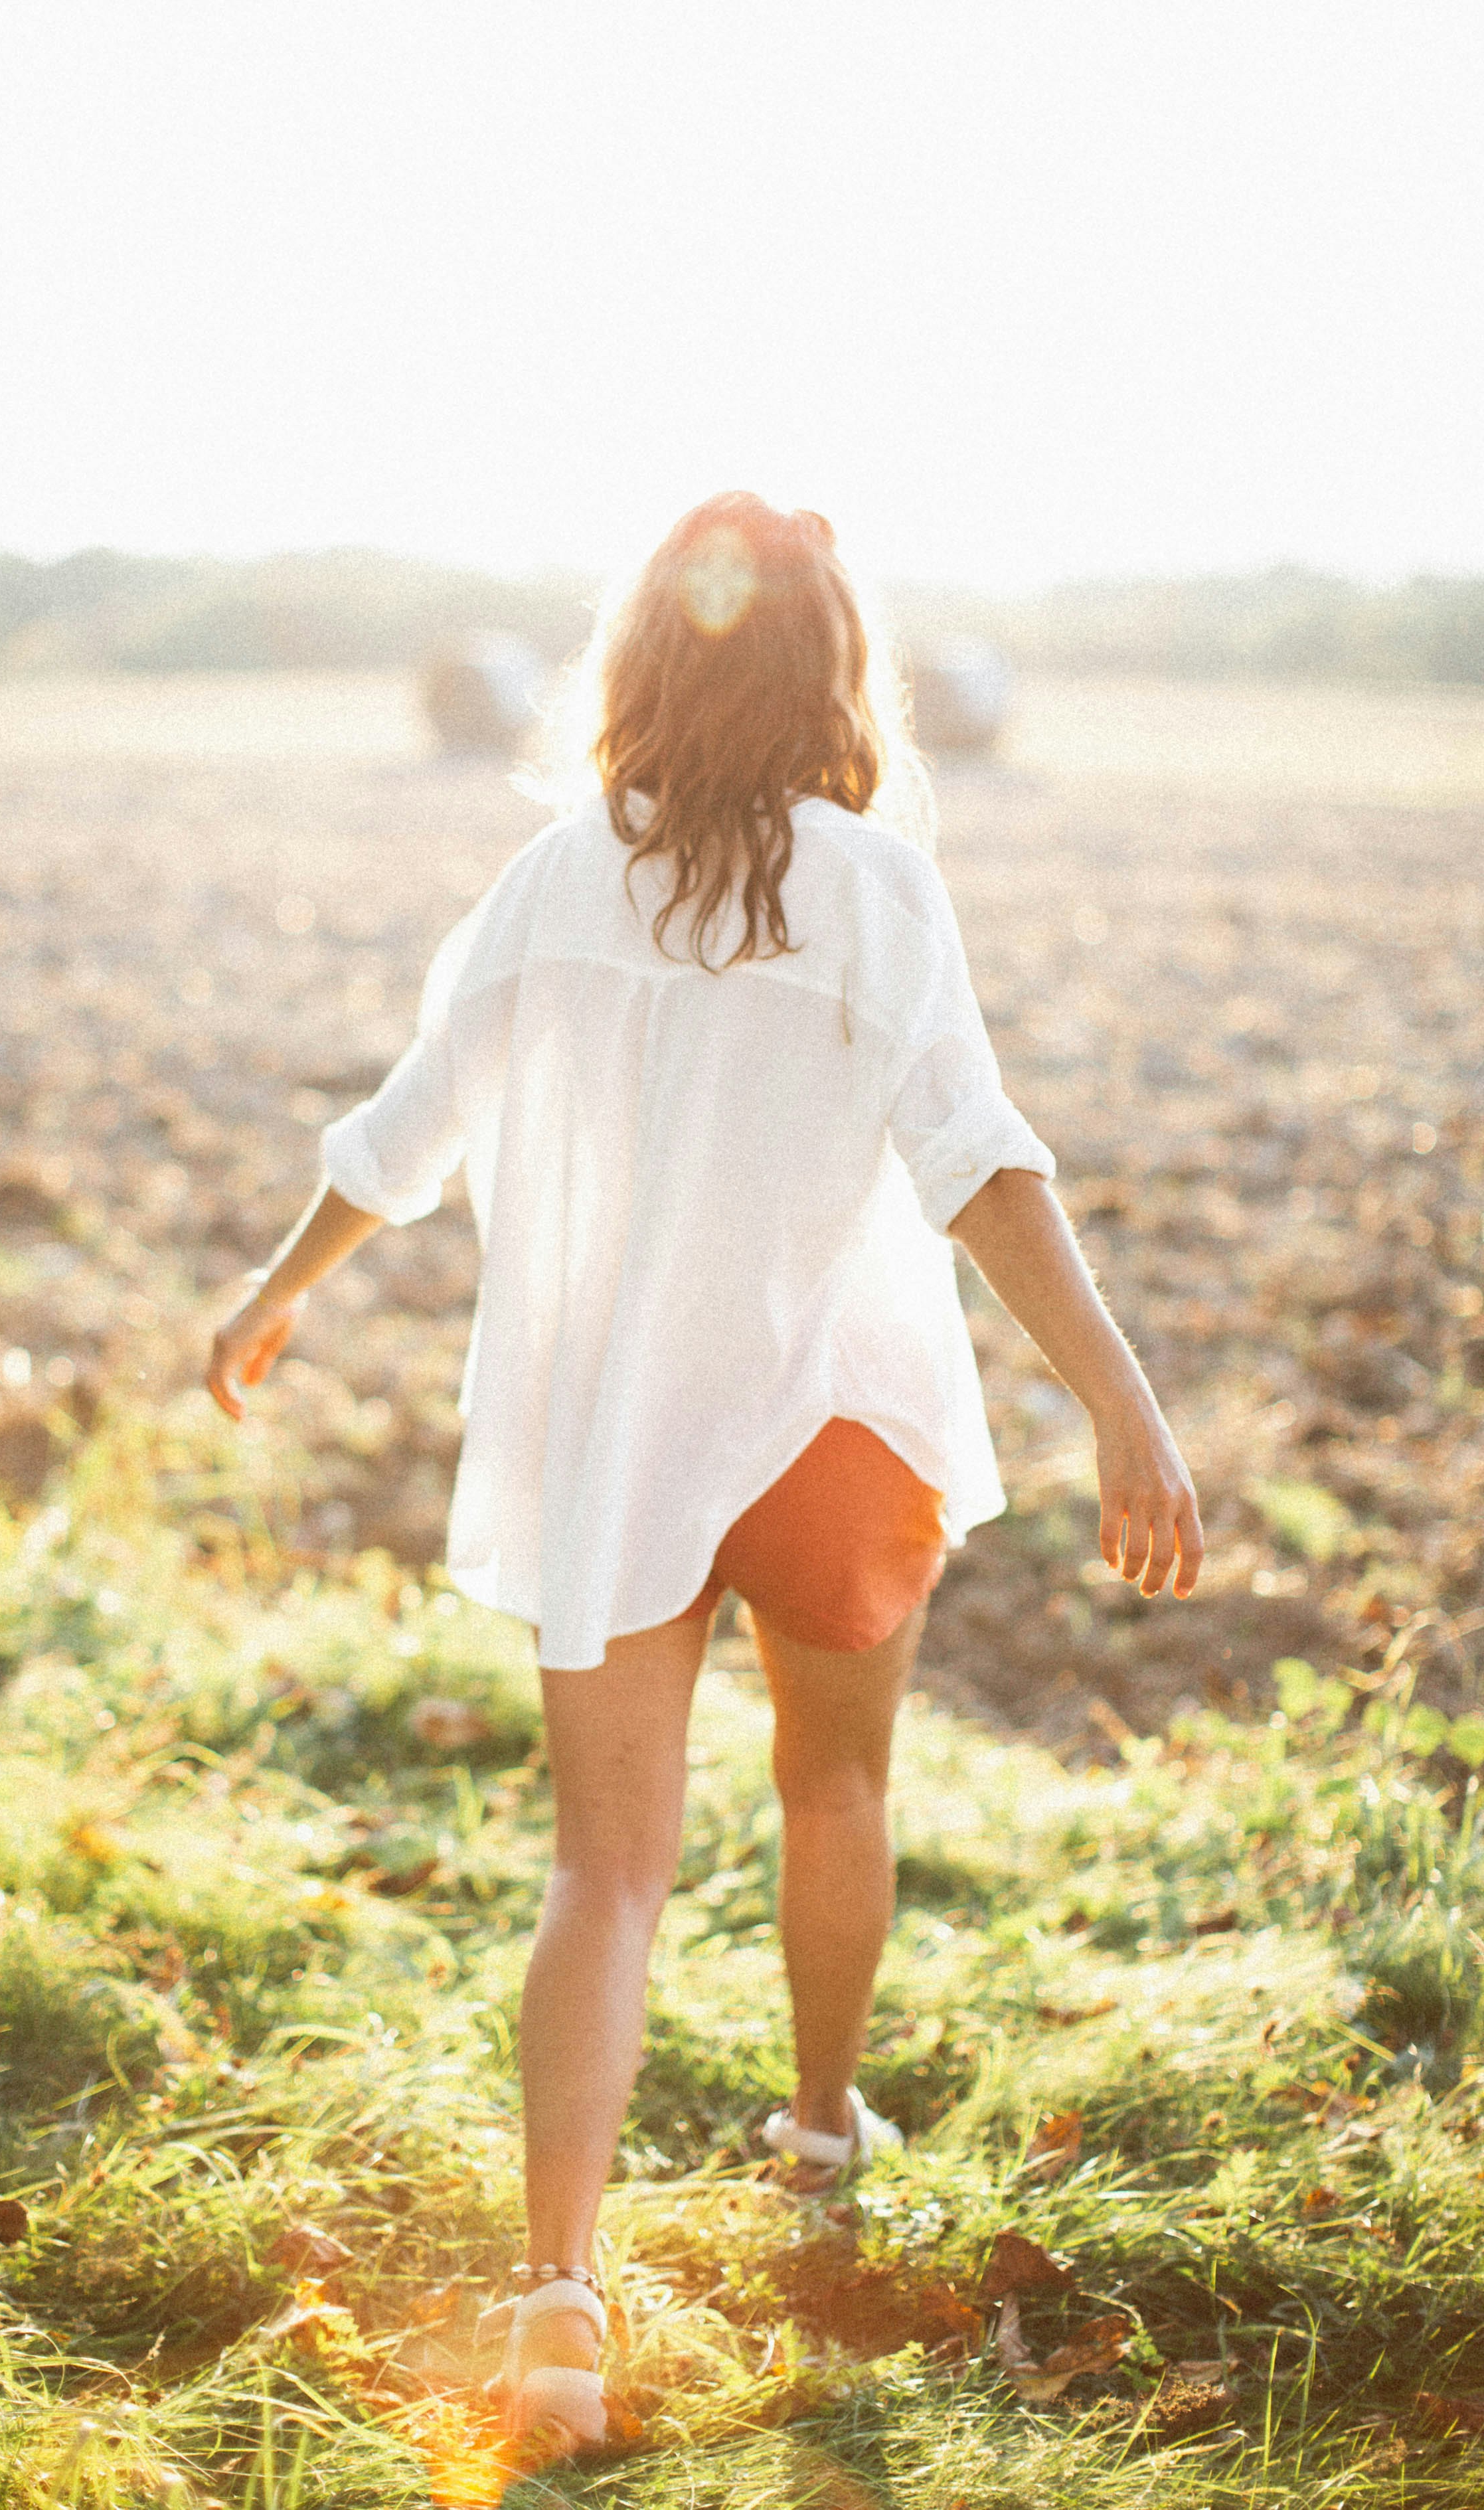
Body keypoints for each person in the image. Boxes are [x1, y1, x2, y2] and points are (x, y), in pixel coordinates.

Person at [206, 491, 1204, 2455]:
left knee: (605, 1869)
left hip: (615, 1441)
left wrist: (267, 1296)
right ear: (841, 678)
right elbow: (979, 1160)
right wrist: (1124, 1398)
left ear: (635, 671)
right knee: (833, 1779)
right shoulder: (872, 884)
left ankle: (558, 2308)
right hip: (833, 1422)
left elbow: (402, 1137)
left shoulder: (548, 883)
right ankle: (821, 2132)